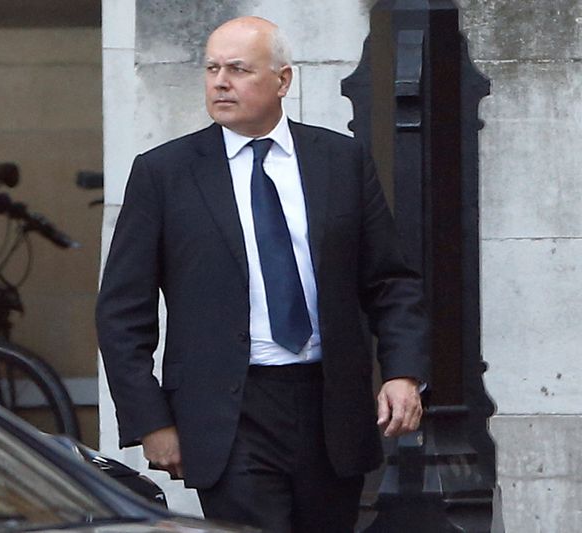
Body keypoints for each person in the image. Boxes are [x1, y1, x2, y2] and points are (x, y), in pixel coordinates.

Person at [96, 15, 429, 533]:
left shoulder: (340, 160)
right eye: (211, 68)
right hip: (228, 413)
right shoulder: (164, 173)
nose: (220, 82)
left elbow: (389, 280)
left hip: (329, 405)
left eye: (238, 69)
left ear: (283, 80)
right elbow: (122, 313)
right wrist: (151, 421)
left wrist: (403, 372)